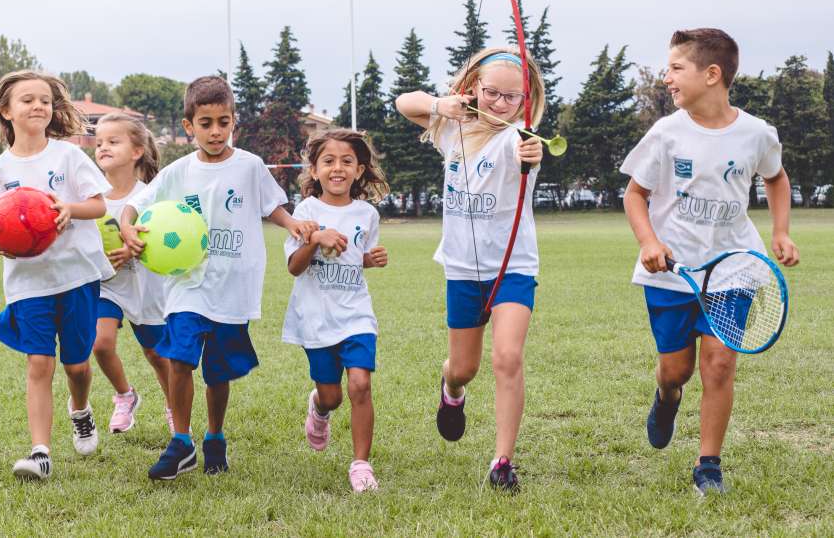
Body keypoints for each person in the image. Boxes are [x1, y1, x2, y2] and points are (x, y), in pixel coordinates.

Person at [621, 28, 800, 495]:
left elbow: (776, 179)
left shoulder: (756, 133)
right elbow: (635, 194)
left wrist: (780, 231)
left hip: (734, 267)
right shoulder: (666, 133)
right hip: (672, 274)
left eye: (677, 68)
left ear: (712, 74)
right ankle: (666, 396)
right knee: (676, 370)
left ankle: (708, 466)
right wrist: (648, 241)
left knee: (719, 364)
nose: (667, 78)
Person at [119, 75, 317, 480]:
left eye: (223, 122)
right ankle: (181, 441)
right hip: (187, 283)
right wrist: (127, 228)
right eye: (205, 123)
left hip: (233, 285)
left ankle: (214, 436)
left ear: (233, 123)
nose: (215, 131)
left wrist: (292, 224)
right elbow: (135, 206)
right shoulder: (177, 172)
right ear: (189, 125)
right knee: (178, 357)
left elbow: (271, 206)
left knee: (218, 372)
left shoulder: (249, 166)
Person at [395, 47, 547, 492]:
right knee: (464, 368)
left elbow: (527, 149)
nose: (501, 103)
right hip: (462, 269)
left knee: (508, 357)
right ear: (473, 88)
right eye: (492, 92)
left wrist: (530, 150)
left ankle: (503, 462)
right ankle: (451, 389)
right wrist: (442, 105)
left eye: (513, 97)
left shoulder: (519, 138)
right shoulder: (451, 127)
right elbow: (405, 102)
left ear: (526, 100)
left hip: (512, 268)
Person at [0, 70, 113, 481]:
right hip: (28, 282)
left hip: (76, 276)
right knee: (39, 362)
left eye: (45, 100)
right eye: (27, 100)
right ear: (6, 111)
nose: (39, 106)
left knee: (77, 366)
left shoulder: (68, 157)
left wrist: (69, 209)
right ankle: (40, 453)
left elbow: (99, 205)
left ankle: (81, 410)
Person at [283, 129, 389, 492]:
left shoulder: (367, 214)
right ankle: (320, 407)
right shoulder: (307, 211)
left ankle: (361, 464)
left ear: (360, 171)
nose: (337, 168)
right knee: (333, 395)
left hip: (355, 313)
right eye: (328, 161)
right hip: (315, 316)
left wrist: (370, 260)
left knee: (360, 384)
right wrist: (314, 238)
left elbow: (357, 258)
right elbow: (294, 267)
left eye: (347, 161)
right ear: (314, 170)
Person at [92, 113, 172, 434]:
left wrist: (133, 249)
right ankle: (125, 396)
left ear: (137, 151)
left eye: (113, 141)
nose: (103, 148)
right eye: (99, 143)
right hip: (106, 284)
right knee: (100, 343)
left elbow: (167, 237)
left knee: (155, 353)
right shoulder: (91, 196)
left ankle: (173, 406)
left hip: (145, 283)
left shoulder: (151, 194)